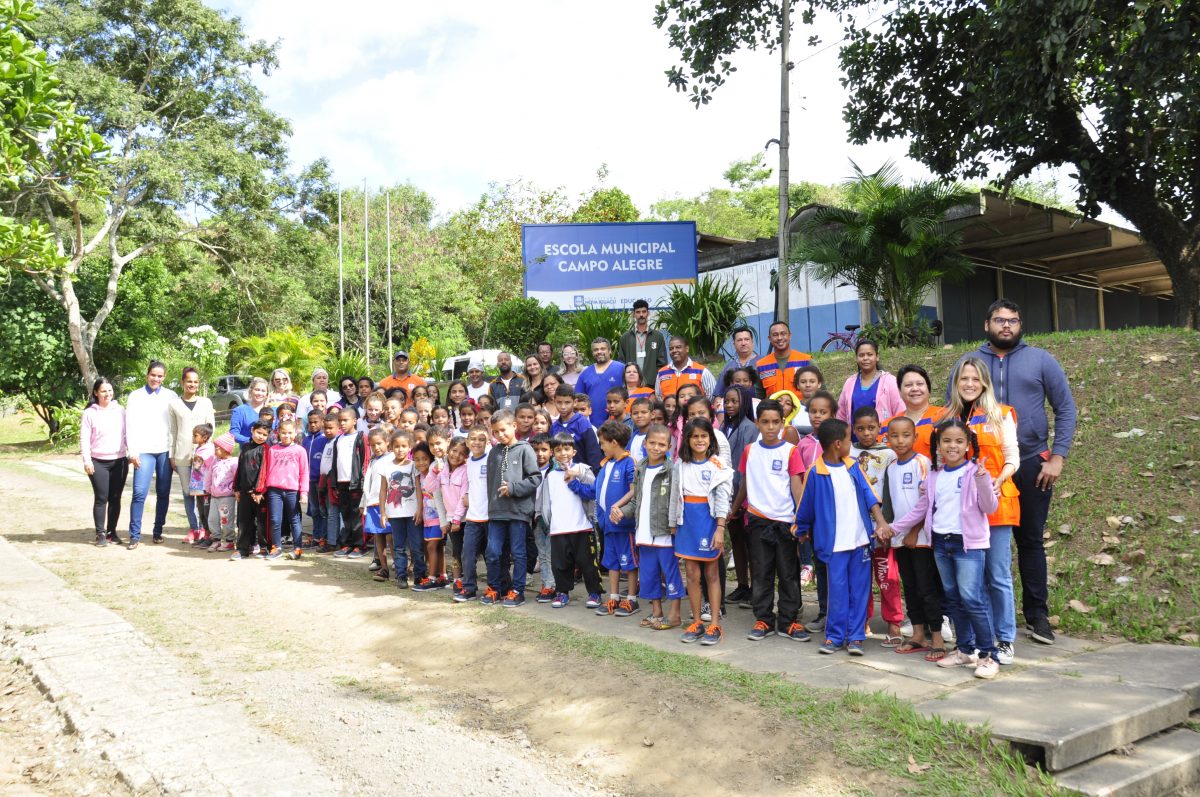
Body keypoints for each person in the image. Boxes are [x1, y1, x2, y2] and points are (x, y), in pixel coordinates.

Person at [950, 298, 1076, 647]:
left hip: (1032, 463)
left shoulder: (1041, 360)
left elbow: (1066, 408)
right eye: (999, 320)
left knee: (1031, 540)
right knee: (979, 543)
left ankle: (1037, 616)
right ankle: (984, 618)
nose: (1006, 326)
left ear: (1020, 325)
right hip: (982, 471)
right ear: (986, 325)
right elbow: (954, 411)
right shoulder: (969, 363)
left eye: (1013, 320)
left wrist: (1058, 457)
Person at [890, 418, 1001, 679]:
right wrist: (894, 528)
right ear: (938, 445)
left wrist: (983, 480)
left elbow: (989, 507)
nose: (953, 446)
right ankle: (965, 650)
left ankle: (988, 655)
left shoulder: (975, 473)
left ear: (968, 445)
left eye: (959, 441)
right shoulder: (934, 476)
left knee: (972, 599)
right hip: (940, 543)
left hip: (967, 544)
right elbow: (920, 509)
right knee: (953, 599)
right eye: (947, 441)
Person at [794, 418, 892, 656]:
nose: (852, 443)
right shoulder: (816, 472)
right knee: (837, 592)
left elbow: (869, 495)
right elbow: (806, 505)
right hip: (834, 545)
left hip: (860, 542)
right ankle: (835, 636)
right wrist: (801, 529)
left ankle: (856, 637)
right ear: (838, 444)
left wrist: (880, 521)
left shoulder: (853, 466)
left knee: (860, 591)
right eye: (849, 439)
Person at [945, 356, 1020, 665]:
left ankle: (1005, 640)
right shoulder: (950, 417)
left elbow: (1012, 457)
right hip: (965, 510)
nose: (970, 384)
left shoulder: (1000, 414)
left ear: (985, 382)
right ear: (956, 383)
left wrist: (998, 480)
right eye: (964, 378)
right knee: (973, 580)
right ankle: (981, 641)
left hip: (997, 504)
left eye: (975, 379)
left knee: (997, 575)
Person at [731, 399, 809, 642]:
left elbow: (797, 487)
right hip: (758, 520)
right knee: (761, 572)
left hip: (786, 522)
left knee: (788, 573)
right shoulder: (749, 451)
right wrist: (735, 508)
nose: (771, 427)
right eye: (765, 422)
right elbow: (746, 482)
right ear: (757, 423)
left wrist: (801, 519)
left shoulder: (791, 451)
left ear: (783, 423)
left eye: (776, 422)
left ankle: (788, 621)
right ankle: (763, 619)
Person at [879, 416, 946, 660]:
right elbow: (889, 504)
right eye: (894, 436)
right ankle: (918, 635)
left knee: (927, 588)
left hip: (921, 539)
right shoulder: (891, 468)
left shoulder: (923, 463)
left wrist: (915, 531)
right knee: (910, 587)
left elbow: (928, 502)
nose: (900, 440)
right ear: (887, 438)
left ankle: (937, 638)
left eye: (906, 435)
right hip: (900, 540)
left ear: (915, 437)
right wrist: (889, 532)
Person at [673, 417, 734, 646]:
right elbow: (675, 497)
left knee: (711, 574)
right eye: (694, 436)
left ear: (711, 438)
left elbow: (723, 499)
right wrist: (673, 523)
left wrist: (720, 528)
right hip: (686, 522)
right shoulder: (680, 465)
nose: (699, 440)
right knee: (691, 573)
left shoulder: (719, 465)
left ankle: (714, 623)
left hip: (708, 522)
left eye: (704, 436)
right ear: (687, 439)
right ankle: (697, 621)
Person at [617, 424, 683, 629]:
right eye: (652, 443)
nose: (656, 447)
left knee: (670, 573)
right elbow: (637, 500)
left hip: (664, 532)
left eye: (662, 444)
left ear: (669, 447)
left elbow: (678, 500)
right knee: (649, 574)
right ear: (644, 444)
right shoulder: (641, 469)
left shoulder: (672, 470)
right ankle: (656, 612)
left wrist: (674, 525)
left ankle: (674, 615)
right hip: (644, 532)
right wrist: (622, 511)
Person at [573, 421, 639, 617]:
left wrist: (617, 506)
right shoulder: (605, 465)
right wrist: (573, 484)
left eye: (603, 443)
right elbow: (594, 491)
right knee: (611, 562)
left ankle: (632, 599)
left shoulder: (629, 463)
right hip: (607, 525)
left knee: (629, 562)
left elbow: (634, 490)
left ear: (614, 442)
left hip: (623, 524)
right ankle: (614, 597)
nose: (601, 447)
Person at [849, 406, 901, 645]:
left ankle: (894, 621)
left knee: (886, 575)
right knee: (860, 578)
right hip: (857, 526)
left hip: (881, 526)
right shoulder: (849, 452)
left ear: (879, 427)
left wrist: (887, 522)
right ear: (853, 429)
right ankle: (863, 619)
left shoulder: (889, 454)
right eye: (861, 429)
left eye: (871, 428)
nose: (866, 433)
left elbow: (891, 490)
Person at [537, 432, 601, 609]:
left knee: (588, 564)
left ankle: (595, 593)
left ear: (574, 451)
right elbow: (545, 502)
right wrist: (547, 521)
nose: (563, 453)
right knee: (560, 565)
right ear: (553, 453)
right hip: (558, 529)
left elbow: (593, 489)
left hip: (582, 527)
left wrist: (576, 474)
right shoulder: (550, 476)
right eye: (558, 450)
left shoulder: (582, 469)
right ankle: (562, 593)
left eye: (566, 449)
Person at [485, 410, 542, 607]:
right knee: (493, 552)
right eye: (495, 432)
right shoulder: (494, 452)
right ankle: (495, 588)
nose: (500, 435)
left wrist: (513, 488)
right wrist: (491, 505)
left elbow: (535, 478)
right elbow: (490, 483)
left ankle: (517, 591)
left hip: (518, 512)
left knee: (518, 553)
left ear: (514, 426)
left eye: (503, 430)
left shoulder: (525, 449)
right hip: (496, 512)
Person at [125, 361, 177, 548]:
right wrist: (132, 451)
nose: (156, 379)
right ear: (147, 375)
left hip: (164, 450)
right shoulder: (135, 396)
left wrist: (173, 452)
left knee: (163, 493)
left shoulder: (171, 396)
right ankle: (134, 535)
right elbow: (130, 425)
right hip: (143, 451)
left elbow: (174, 426)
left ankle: (157, 531)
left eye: (160, 376)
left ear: (164, 377)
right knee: (139, 493)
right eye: (153, 375)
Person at [168, 366, 216, 544]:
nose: (192, 384)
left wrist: (209, 452)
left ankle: (204, 528)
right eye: (189, 381)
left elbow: (211, 428)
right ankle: (193, 528)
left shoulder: (206, 403)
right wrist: (172, 455)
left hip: (203, 457)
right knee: (188, 493)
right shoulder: (174, 404)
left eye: (195, 381)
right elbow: (173, 431)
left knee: (202, 492)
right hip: (182, 454)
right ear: (182, 382)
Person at [721, 384, 757, 606]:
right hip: (727, 492)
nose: (729, 405)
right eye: (727, 401)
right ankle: (742, 585)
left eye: (734, 401)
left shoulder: (749, 428)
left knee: (750, 544)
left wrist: (741, 500)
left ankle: (755, 588)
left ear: (744, 402)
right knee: (736, 542)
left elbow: (747, 465)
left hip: (742, 495)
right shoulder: (723, 426)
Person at [80, 377, 128, 547]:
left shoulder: (120, 410)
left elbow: (127, 433)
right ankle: (100, 533)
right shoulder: (89, 413)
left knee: (115, 498)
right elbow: (84, 438)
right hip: (98, 462)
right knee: (101, 498)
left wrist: (131, 452)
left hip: (119, 460)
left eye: (109, 390)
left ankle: (111, 532)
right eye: (103, 391)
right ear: (95, 393)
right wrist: (87, 461)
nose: (107, 394)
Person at [378, 430, 425, 589]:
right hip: (395, 514)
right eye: (396, 446)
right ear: (391, 447)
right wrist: (383, 512)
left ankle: (420, 576)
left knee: (416, 546)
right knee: (398, 547)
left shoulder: (413, 466)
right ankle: (401, 576)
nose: (400, 449)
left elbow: (418, 489)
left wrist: (419, 509)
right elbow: (383, 490)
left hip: (413, 513)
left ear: (409, 447)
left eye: (404, 446)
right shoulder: (386, 466)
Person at [256, 417, 308, 560]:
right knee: (275, 520)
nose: (287, 436)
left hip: (292, 491)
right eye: (284, 433)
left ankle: (297, 549)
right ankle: (276, 548)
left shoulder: (300, 450)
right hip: (274, 491)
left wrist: (304, 492)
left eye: (290, 433)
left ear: (295, 433)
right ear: (278, 433)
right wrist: (262, 489)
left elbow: (304, 472)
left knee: (294, 520)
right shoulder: (273, 450)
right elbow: (266, 471)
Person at [453, 427, 491, 602]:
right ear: (467, 442)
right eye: (473, 439)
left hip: (490, 518)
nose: (477, 442)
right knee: (467, 554)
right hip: (472, 517)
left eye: (481, 439)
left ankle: (496, 586)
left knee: (492, 556)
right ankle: (469, 588)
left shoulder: (491, 459)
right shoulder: (467, 463)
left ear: (487, 442)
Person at [836, 340, 904, 433]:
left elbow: (900, 412)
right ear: (856, 358)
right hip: (854, 439)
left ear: (877, 356)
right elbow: (841, 415)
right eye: (861, 355)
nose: (865, 358)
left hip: (883, 439)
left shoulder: (890, 382)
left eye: (869, 354)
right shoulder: (850, 383)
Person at [329, 407, 370, 558]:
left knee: (356, 515)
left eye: (345, 420)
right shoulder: (338, 439)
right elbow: (335, 462)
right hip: (342, 483)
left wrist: (363, 482)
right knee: (345, 514)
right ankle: (347, 544)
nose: (342, 423)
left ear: (354, 421)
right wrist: (334, 484)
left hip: (356, 483)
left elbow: (366, 460)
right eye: (340, 420)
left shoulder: (360, 437)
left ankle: (360, 545)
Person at [882, 365, 943, 458]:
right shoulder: (886, 426)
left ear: (928, 388)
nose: (915, 389)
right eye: (908, 385)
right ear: (899, 391)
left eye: (920, 384)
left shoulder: (945, 417)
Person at [232, 421, 270, 560]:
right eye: (258, 433)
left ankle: (264, 548)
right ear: (252, 430)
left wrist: (259, 491)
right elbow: (240, 469)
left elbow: (264, 471)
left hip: (259, 495)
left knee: (262, 522)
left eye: (264, 435)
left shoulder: (265, 449)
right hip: (244, 492)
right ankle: (242, 549)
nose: (261, 436)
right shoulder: (245, 448)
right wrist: (236, 488)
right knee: (243, 521)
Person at [360, 429, 394, 579]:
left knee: (391, 537)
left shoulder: (393, 458)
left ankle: (399, 565)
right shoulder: (373, 462)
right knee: (378, 536)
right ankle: (384, 567)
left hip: (389, 504)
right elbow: (368, 483)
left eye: (379, 443)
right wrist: (363, 502)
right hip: (373, 503)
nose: (376, 447)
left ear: (387, 442)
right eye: (373, 445)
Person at [411, 442, 445, 591]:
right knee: (434, 547)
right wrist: (419, 511)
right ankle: (442, 576)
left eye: (424, 459)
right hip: (427, 517)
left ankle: (432, 578)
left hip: (438, 516)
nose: (421, 462)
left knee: (432, 546)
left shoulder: (435, 470)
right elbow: (420, 494)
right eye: (417, 459)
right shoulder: (419, 476)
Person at [439, 437, 470, 590]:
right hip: (450, 518)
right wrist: (434, 472)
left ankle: (468, 578)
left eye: (462, 453)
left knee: (467, 551)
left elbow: (464, 496)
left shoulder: (465, 471)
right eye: (454, 451)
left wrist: (457, 519)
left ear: (466, 456)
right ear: (448, 450)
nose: (457, 455)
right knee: (455, 550)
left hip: (464, 519)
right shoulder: (442, 469)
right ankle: (457, 579)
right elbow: (430, 486)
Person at [550, 384, 602, 472]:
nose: (563, 407)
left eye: (567, 402)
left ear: (575, 402)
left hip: (582, 475)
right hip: (559, 475)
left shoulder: (583, 423)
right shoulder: (553, 427)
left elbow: (593, 455)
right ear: (554, 401)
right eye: (559, 402)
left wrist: (592, 475)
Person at [755, 321, 813, 398]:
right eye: (775, 335)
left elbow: (821, 391)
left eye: (783, 334)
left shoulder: (806, 361)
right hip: (773, 406)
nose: (779, 338)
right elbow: (759, 397)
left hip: (801, 406)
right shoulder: (762, 366)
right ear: (769, 338)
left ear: (789, 335)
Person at [575, 338, 624, 428]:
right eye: (596, 350)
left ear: (610, 351)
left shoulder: (621, 369)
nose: (599, 352)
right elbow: (578, 399)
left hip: (617, 423)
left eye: (603, 348)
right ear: (592, 353)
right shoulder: (585, 373)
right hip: (590, 424)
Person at [617, 299, 668, 383]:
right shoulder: (625, 337)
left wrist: (655, 379)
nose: (641, 315)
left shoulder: (658, 336)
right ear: (633, 314)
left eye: (644, 312)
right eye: (638, 312)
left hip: (651, 384)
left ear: (648, 313)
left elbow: (662, 362)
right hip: (632, 384)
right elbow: (621, 363)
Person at [205, 433, 239, 552]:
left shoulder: (234, 463)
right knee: (212, 519)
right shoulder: (215, 462)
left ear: (225, 449)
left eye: (217, 448)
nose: (215, 450)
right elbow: (209, 476)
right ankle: (216, 540)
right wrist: (208, 488)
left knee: (226, 519)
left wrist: (236, 491)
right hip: (214, 497)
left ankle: (229, 541)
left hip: (227, 497)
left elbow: (237, 479)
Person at [188, 423, 215, 546]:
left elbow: (210, 467)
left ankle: (211, 536)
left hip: (205, 487)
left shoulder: (209, 449)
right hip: (197, 486)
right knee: (201, 511)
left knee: (207, 512)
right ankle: (206, 535)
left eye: (195, 435)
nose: (193, 437)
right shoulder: (198, 449)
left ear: (204, 437)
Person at [715, 326, 758, 397]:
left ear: (752, 342)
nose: (743, 343)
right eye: (739, 340)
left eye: (746, 339)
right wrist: (718, 400)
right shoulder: (728, 367)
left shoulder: (764, 362)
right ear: (734, 344)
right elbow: (718, 395)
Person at [231, 377, 271, 445]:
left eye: (263, 391)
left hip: (269, 450)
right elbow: (233, 433)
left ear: (267, 394)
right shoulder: (240, 411)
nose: (260, 393)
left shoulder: (271, 411)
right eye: (257, 390)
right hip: (248, 449)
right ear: (250, 391)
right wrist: (251, 440)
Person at [791, 365, 824, 436]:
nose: (808, 385)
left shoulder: (828, 407)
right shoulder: (792, 409)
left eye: (812, 381)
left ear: (819, 384)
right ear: (798, 385)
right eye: (803, 382)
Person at [628, 396, 653, 466]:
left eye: (644, 412)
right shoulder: (632, 437)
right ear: (631, 416)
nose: (639, 416)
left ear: (652, 414)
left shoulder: (656, 436)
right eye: (635, 413)